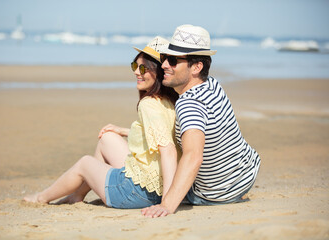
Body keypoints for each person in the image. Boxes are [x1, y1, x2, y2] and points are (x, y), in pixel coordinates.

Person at [24, 36, 180, 209]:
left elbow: (168, 151)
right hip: (152, 183)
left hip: (136, 193)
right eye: (135, 66)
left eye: (143, 68)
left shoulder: (149, 104)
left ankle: (40, 198)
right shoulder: (170, 101)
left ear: (158, 72)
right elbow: (161, 133)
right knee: (107, 137)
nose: (136, 72)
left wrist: (167, 203)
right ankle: (77, 194)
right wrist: (122, 130)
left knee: (85, 163)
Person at [142, 25, 261, 218]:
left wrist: (167, 205)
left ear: (197, 67)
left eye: (172, 60)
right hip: (244, 176)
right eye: (164, 58)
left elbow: (193, 156)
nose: (163, 65)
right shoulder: (211, 84)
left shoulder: (189, 105)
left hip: (215, 193)